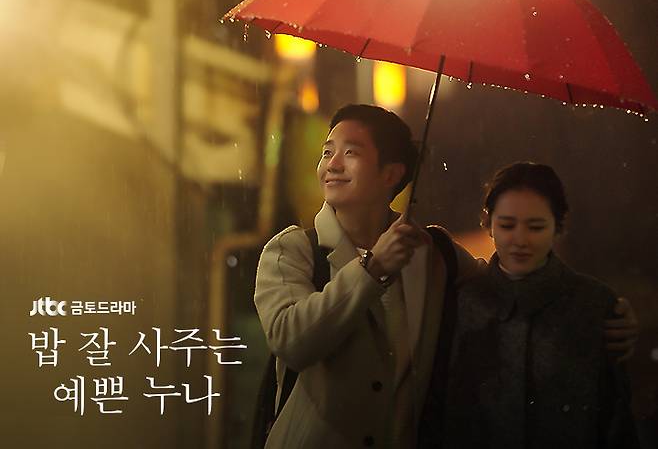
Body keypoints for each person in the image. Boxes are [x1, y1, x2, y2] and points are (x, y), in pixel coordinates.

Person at [254, 106, 638, 449]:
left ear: (391, 173)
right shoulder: (293, 250)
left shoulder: (432, 251)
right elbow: (292, 340)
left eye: (350, 152)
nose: (332, 164)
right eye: (327, 152)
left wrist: (603, 313)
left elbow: (507, 290)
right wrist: (372, 269)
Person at [421, 162, 640, 449]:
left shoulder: (594, 304)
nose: (520, 240)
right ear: (488, 224)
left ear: (557, 226)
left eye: (536, 227)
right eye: (507, 225)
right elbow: (436, 409)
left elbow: (617, 420)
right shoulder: (463, 303)